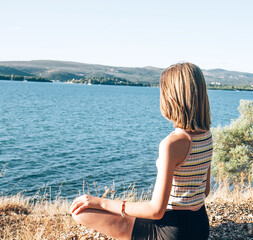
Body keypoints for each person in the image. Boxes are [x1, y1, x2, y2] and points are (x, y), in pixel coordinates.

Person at [70, 62, 213, 240]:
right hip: (200, 226)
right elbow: (204, 191)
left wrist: (101, 202)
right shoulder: (206, 135)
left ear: (171, 98)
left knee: (82, 212)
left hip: (172, 233)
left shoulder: (172, 144)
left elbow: (156, 211)